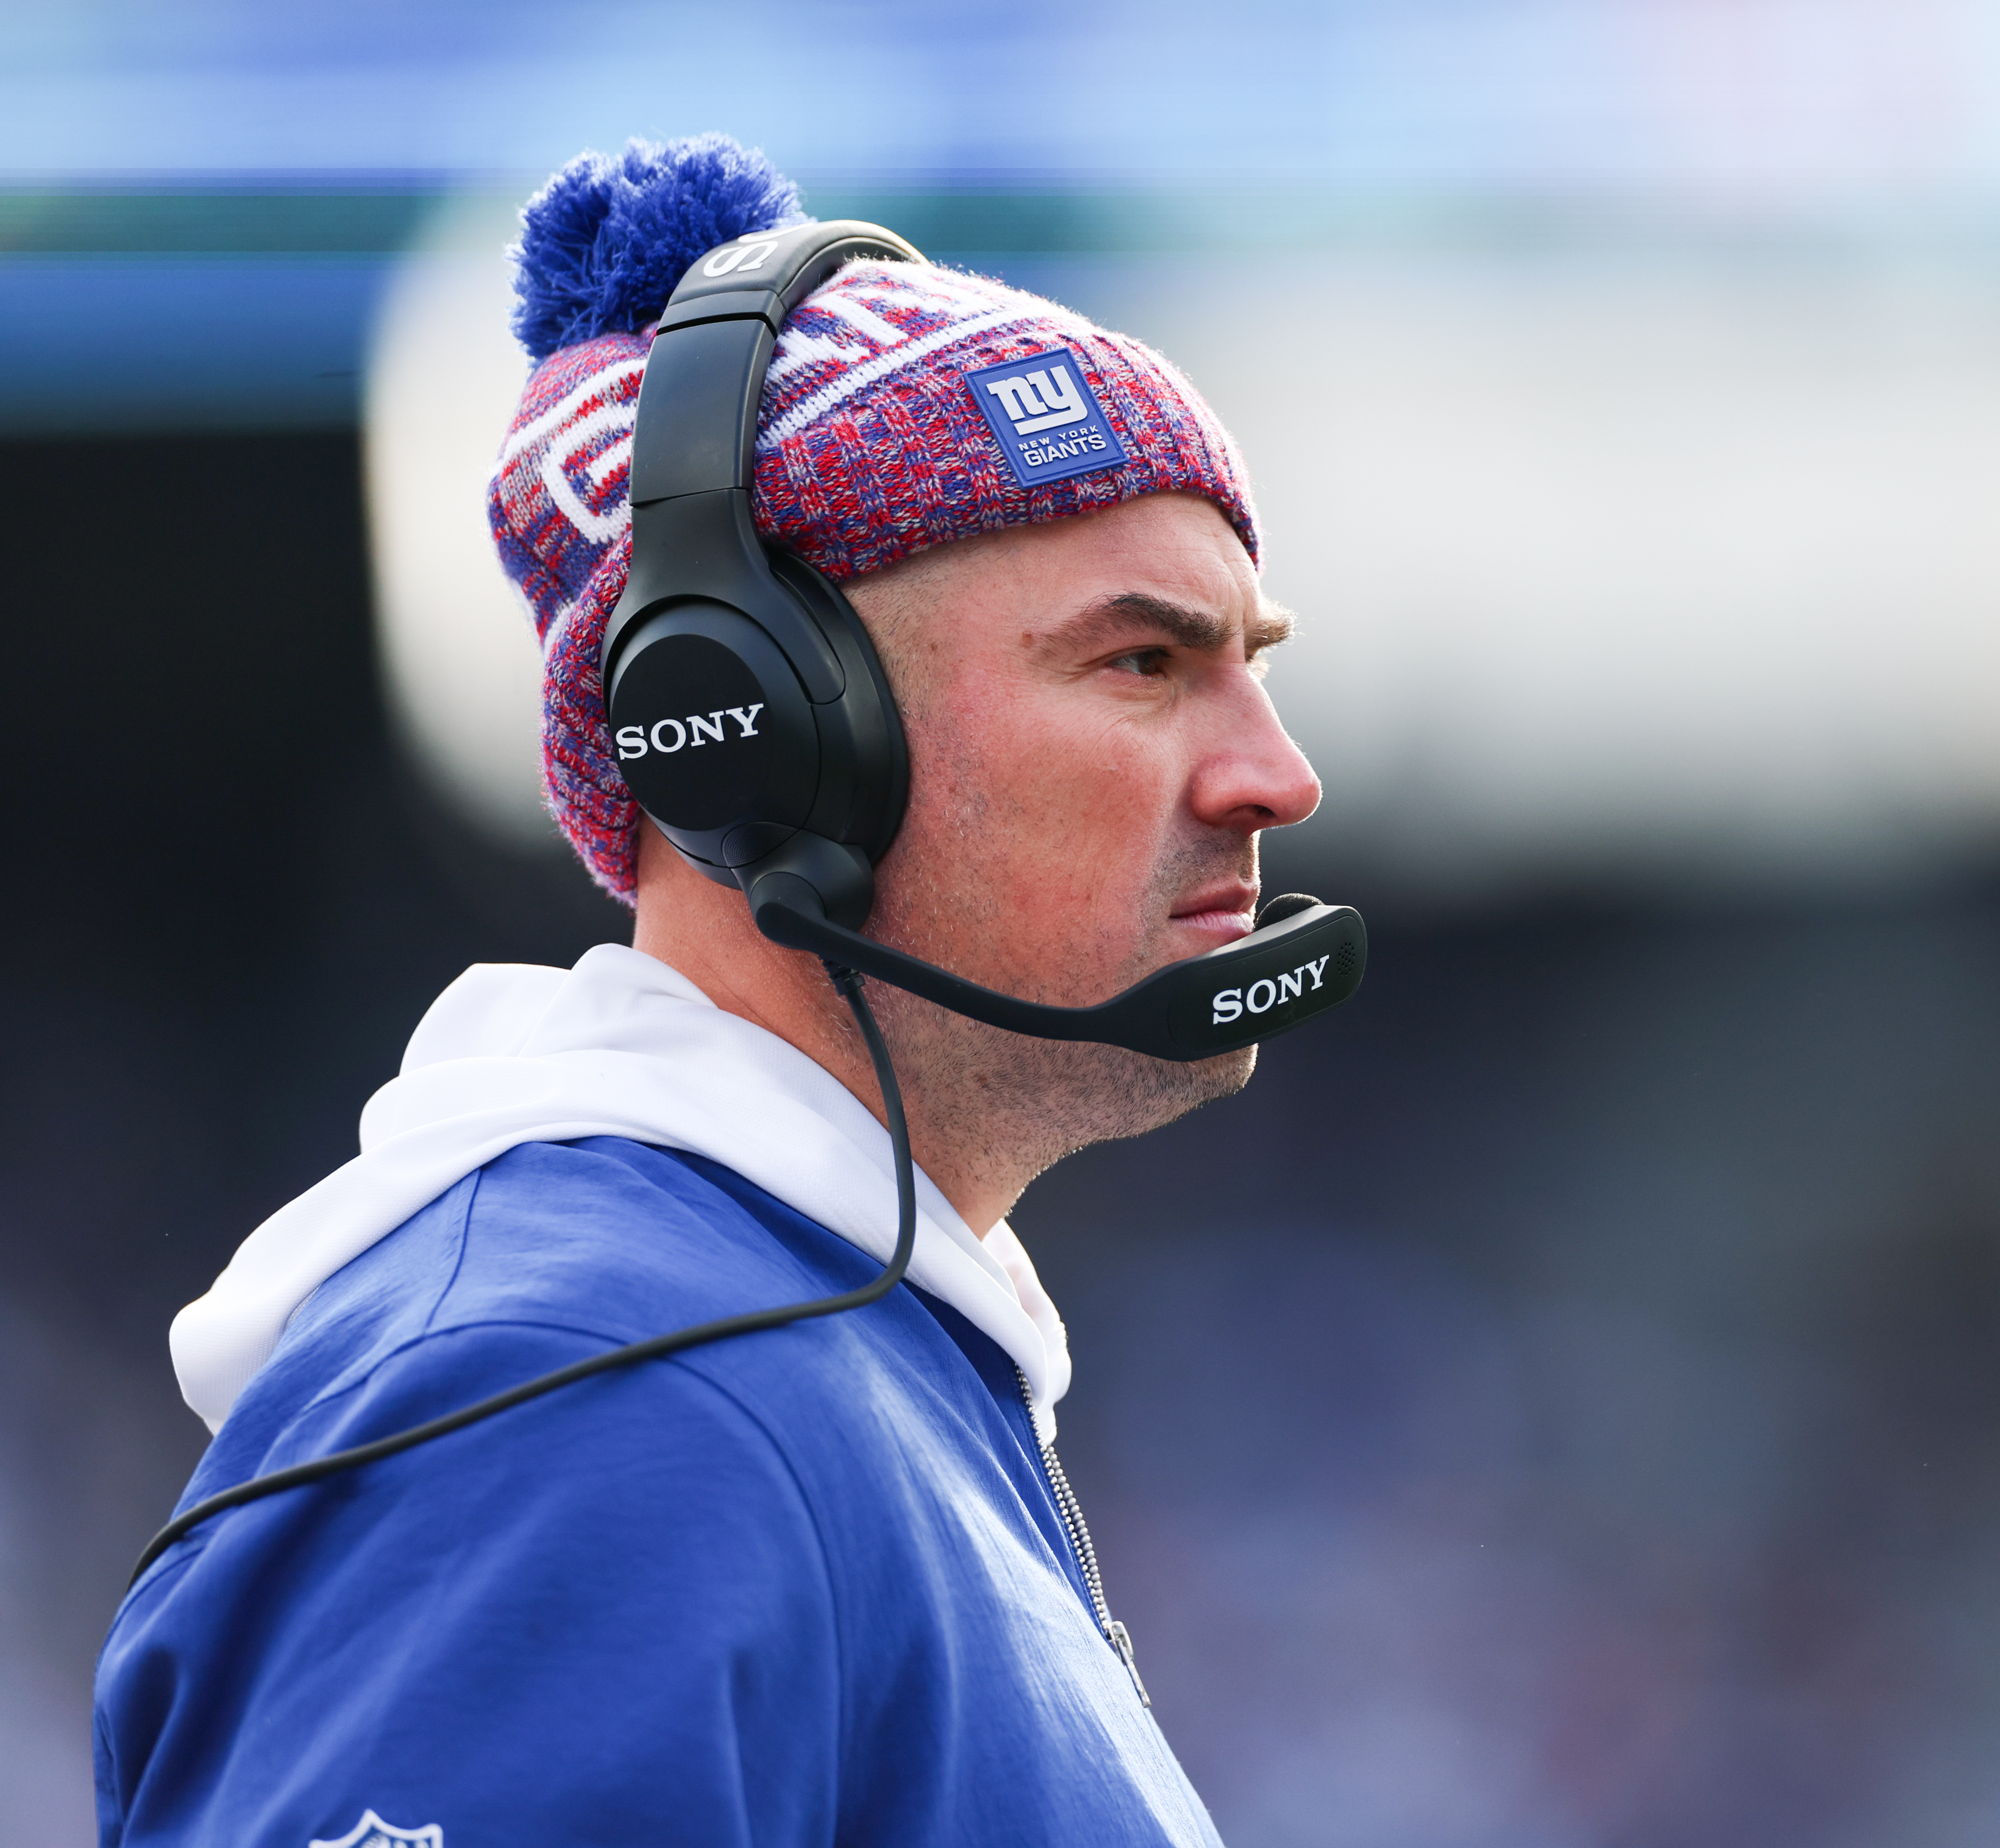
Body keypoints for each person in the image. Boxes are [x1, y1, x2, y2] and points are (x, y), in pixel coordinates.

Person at [93, 136, 1321, 1848]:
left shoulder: (775, 1342)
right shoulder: (577, 1406)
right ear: (758, 735)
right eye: (1142, 662)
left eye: (1250, 664)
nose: (1278, 777)